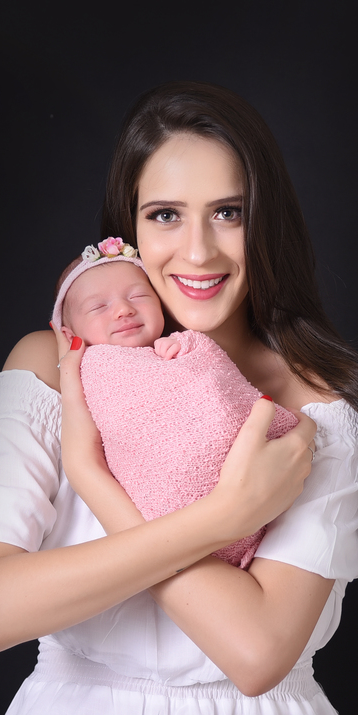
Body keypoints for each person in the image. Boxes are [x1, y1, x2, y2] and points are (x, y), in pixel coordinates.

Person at [0, 81, 358, 715]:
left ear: (267, 223)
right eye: (165, 215)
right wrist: (220, 518)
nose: (198, 251)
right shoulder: (55, 367)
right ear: (129, 229)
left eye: (229, 212)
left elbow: (254, 653)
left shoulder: (316, 410)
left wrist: (96, 479)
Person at [49, 238, 299, 568]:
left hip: (242, 474)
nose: (124, 310)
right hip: (163, 510)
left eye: (138, 296)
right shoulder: (91, 368)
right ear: (69, 335)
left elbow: (213, 378)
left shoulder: (179, 345)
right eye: (99, 307)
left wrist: (184, 347)